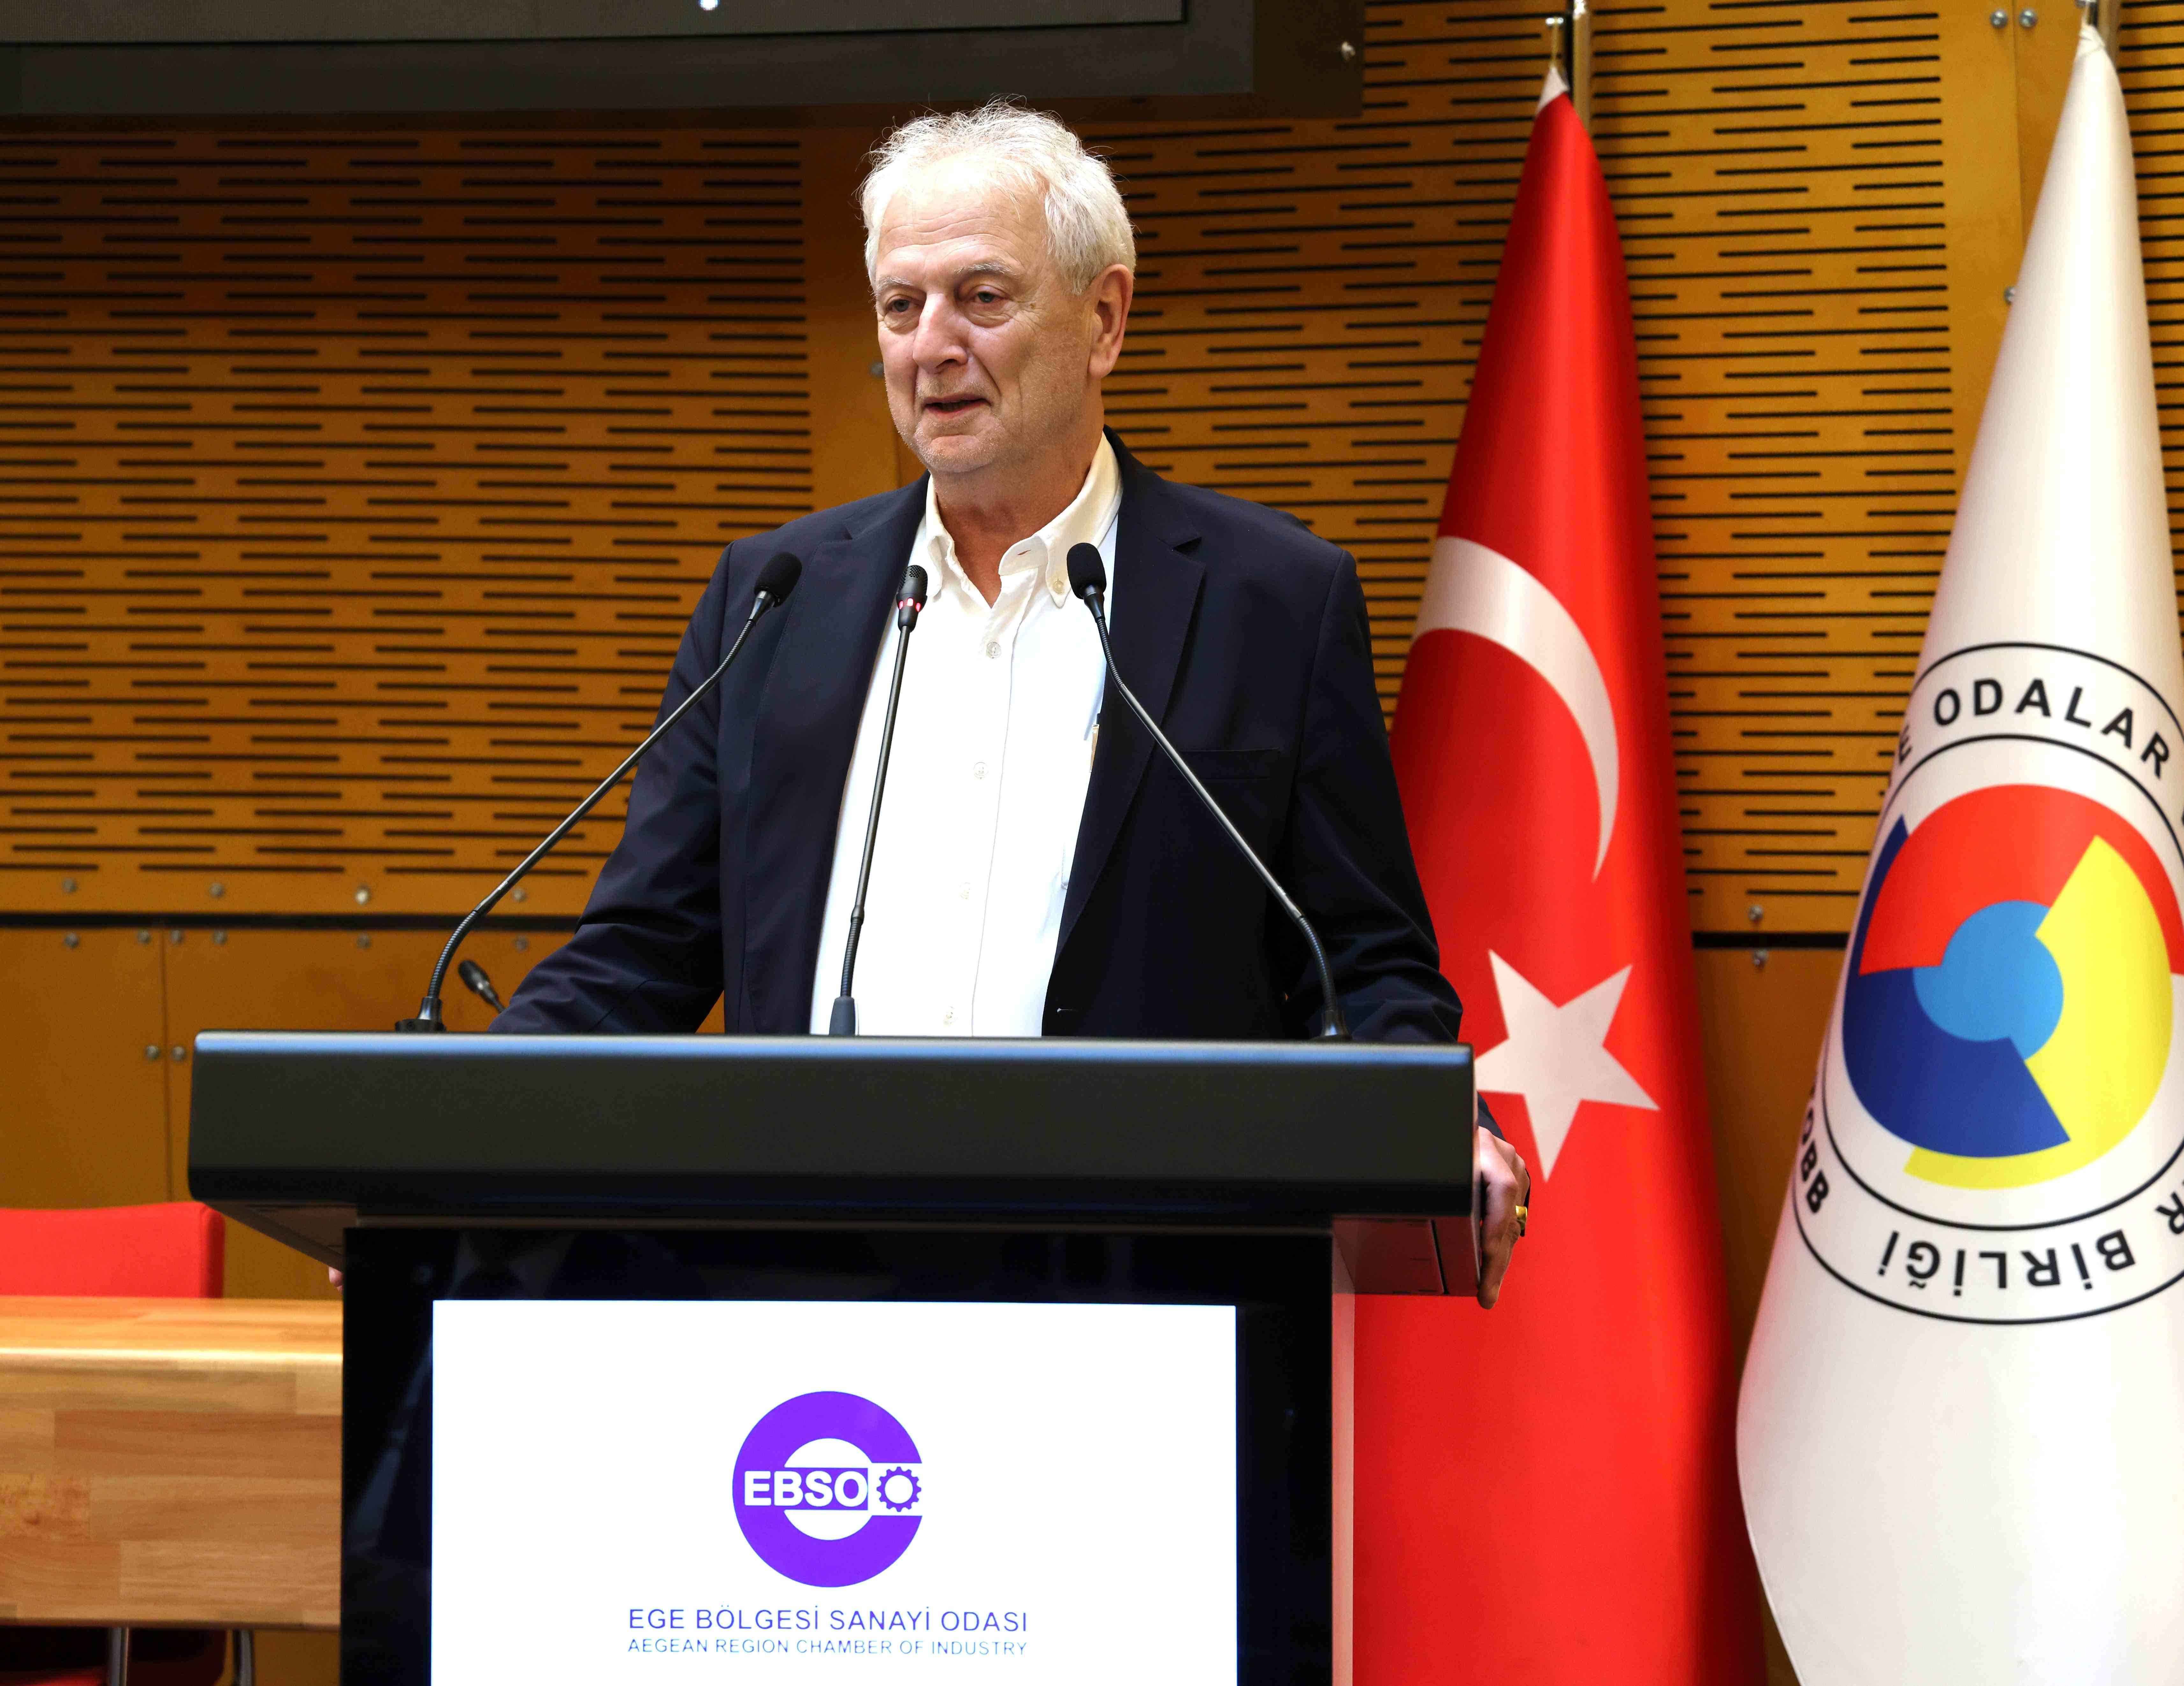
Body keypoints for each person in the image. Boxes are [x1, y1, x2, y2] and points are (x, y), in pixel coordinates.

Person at [493, 101, 1530, 1303]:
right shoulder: (774, 599)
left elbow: (1357, 958)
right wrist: (444, 1123)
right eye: (900, 306)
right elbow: (639, 955)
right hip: (809, 1291)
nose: (931, 346)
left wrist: (1439, 1119)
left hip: (1145, 1296)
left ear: (1104, 320)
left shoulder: (1270, 602)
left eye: (981, 297)